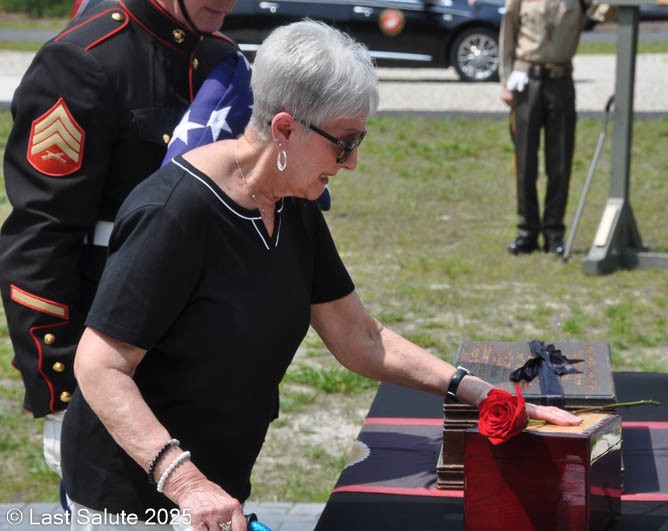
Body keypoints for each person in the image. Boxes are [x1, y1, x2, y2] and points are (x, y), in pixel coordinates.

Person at [60, 20, 583, 530]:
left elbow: (360, 336)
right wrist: (186, 482)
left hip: (215, 492)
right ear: (285, 129)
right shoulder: (173, 214)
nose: (352, 163)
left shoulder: (292, 201)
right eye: (345, 142)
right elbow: (100, 366)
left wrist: (479, 392)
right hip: (134, 499)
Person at [0, 0, 239, 483]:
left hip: (198, 354)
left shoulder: (221, 59)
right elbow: (41, 236)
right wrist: (63, 390)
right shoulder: (83, 59)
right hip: (110, 353)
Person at [500, 0, 589, 256]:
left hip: (561, 81)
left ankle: (553, 232)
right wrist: (505, 80)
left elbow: (607, 12)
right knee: (524, 161)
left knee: (560, 162)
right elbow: (508, 31)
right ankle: (526, 231)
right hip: (527, 80)